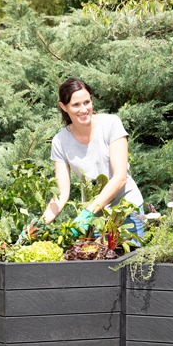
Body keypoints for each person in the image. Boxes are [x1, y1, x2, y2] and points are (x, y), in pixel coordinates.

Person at [41, 78, 145, 241]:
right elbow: (61, 193)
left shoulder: (111, 124)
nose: (83, 109)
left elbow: (120, 178)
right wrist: (39, 226)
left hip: (126, 212)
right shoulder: (60, 142)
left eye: (87, 102)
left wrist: (87, 213)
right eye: (76, 105)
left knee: (132, 264)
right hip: (96, 218)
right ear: (64, 107)